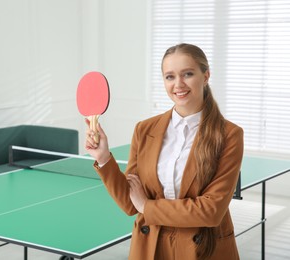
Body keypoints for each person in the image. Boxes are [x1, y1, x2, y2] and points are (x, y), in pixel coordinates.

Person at [84, 43, 244, 260]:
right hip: (150, 247)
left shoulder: (229, 135)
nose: (178, 84)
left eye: (187, 74)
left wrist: (147, 207)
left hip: (202, 250)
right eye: (170, 77)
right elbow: (131, 204)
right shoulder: (145, 129)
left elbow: (211, 211)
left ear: (205, 76)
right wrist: (103, 158)